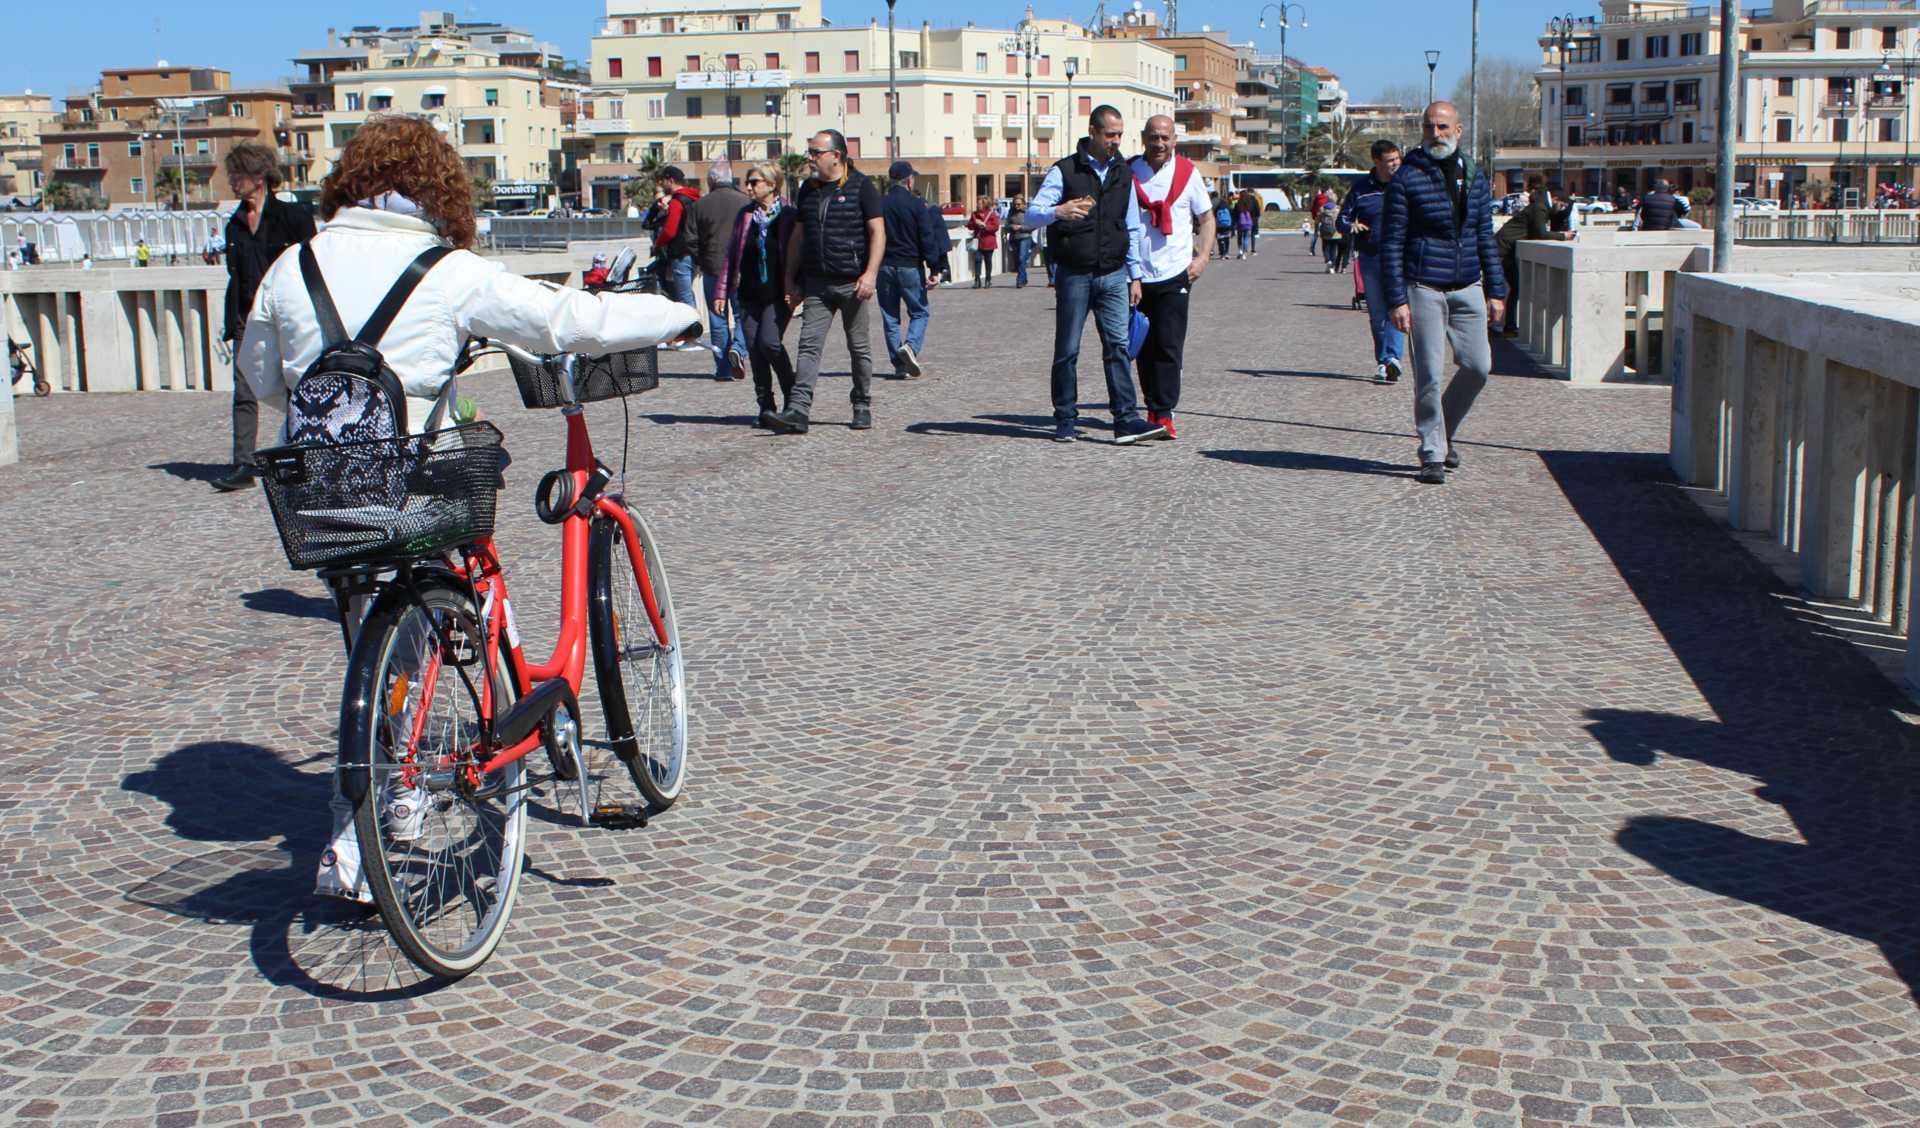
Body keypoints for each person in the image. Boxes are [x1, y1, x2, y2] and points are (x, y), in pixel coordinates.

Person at [233, 117, 700, 905]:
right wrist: (678, 316)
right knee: (428, 603)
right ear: (437, 188)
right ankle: (386, 810)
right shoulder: (445, 271)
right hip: (417, 480)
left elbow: (262, 378)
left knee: (374, 640)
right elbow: (565, 323)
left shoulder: (291, 265)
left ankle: (389, 794)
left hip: (322, 492)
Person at [1380, 100, 1507, 486]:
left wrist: (1496, 291)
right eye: (1428, 127)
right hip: (1424, 286)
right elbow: (1392, 242)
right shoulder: (1407, 177)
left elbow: (1485, 235)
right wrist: (1395, 300)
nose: (1435, 134)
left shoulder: (1473, 174)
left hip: (1468, 284)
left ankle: (1444, 429)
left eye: (1442, 127)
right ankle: (1432, 452)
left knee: (1478, 366)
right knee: (1429, 376)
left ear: (1458, 130)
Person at [1025, 105, 1163, 444]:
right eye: (1110, 135)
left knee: (1117, 346)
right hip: (1074, 273)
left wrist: (1135, 274)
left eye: (1119, 135)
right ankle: (1065, 418)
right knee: (1068, 349)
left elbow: (1130, 224)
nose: (1116, 141)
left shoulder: (1122, 172)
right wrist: (1058, 211)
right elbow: (1030, 215)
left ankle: (1125, 420)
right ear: (1092, 132)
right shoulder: (1065, 171)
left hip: (1114, 273)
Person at [212, 141, 317, 493]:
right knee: (244, 390)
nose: (232, 182)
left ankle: (302, 456)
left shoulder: (293, 218)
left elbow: (313, 268)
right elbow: (236, 275)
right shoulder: (235, 224)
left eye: (237, 175)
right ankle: (243, 462)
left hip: (287, 316)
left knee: (297, 387)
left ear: (258, 177)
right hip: (246, 316)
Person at [766, 129, 886, 434]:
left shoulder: (862, 187)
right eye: (810, 152)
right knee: (808, 346)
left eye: (816, 153)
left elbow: (877, 233)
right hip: (817, 282)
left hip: (853, 282)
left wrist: (870, 274)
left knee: (858, 348)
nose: (811, 158)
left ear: (837, 155)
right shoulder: (809, 189)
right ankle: (798, 410)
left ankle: (861, 403)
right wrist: (790, 279)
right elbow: (798, 236)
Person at [1129, 115, 1212, 441]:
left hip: (1175, 272)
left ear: (1174, 140)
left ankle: (1163, 412)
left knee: (1169, 345)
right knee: (1142, 345)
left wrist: (1202, 258)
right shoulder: (1129, 171)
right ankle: (1151, 404)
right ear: (1143, 138)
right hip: (1136, 275)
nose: (1159, 144)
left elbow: (1206, 219)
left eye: (1165, 138)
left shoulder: (1188, 174)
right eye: (1153, 137)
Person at [715, 162, 800, 427]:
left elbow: (799, 256)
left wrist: (798, 289)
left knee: (770, 343)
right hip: (749, 293)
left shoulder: (788, 215)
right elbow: (731, 255)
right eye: (748, 182)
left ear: (772, 185)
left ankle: (794, 399)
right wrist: (721, 291)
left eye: (755, 182)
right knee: (754, 349)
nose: (749, 187)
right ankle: (765, 406)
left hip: (778, 294)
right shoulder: (745, 216)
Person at [1337, 138, 1406, 384]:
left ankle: (1392, 359)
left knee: (1397, 310)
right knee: (1377, 314)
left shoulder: (1405, 183)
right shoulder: (1361, 188)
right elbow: (1341, 221)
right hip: (1370, 257)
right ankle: (1384, 361)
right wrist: (1351, 225)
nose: (1395, 164)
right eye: (1390, 161)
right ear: (1377, 162)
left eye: (1397, 159)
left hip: (1400, 258)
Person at [877, 160, 945, 380]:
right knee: (919, 311)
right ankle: (910, 347)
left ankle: (899, 364)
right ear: (908, 180)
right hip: (909, 266)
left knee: (890, 316)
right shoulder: (916, 205)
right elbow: (927, 237)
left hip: (884, 266)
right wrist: (935, 267)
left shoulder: (880, 204)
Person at [693, 162, 752, 381]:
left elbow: (691, 238)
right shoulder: (746, 202)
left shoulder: (700, 205)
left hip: (712, 267)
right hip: (741, 268)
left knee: (717, 318)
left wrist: (699, 259)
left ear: (711, 180)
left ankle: (723, 369)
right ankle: (738, 348)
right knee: (741, 314)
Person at [1495, 175, 1576, 336]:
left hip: (1505, 249)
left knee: (1510, 288)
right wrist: (1563, 236)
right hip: (1503, 251)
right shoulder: (1540, 207)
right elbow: (1541, 233)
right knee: (1505, 289)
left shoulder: (1538, 205)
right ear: (1554, 198)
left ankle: (1506, 326)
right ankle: (1505, 326)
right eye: (1561, 204)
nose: (1561, 208)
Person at [651, 166, 701, 311]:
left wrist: (658, 243)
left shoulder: (676, 202)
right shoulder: (694, 198)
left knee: (684, 297)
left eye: (663, 181)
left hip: (680, 254)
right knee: (689, 293)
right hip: (694, 251)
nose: (662, 184)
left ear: (670, 180)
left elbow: (670, 231)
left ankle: (692, 329)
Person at [1004, 191, 1036, 287]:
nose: (1016, 206)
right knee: (1018, 260)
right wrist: (1011, 227)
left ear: (1023, 204)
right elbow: (1006, 225)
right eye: (1015, 204)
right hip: (1014, 238)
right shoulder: (1011, 212)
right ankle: (1024, 278)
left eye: (1018, 204)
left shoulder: (1028, 212)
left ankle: (1020, 280)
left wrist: (1021, 227)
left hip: (1025, 238)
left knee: (1022, 258)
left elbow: (1033, 226)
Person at [966, 198, 999, 288]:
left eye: (979, 204)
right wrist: (975, 224)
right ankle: (977, 280)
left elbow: (996, 227)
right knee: (977, 260)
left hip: (988, 241)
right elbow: (969, 226)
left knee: (988, 261)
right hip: (978, 241)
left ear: (985, 204)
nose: (977, 205)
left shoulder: (991, 214)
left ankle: (988, 279)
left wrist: (985, 226)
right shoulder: (974, 214)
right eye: (977, 203)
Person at [1234, 190, 1259, 258]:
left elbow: (1234, 214)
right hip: (1248, 223)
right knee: (1246, 238)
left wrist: (1234, 223)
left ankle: (1240, 251)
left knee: (1239, 237)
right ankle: (1244, 253)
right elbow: (1255, 213)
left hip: (1240, 223)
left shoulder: (1237, 204)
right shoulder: (1249, 205)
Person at [1214, 193, 1233, 259]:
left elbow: (1215, 215)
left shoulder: (1218, 207)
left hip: (1219, 225)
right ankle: (1226, 252)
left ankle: (1222, 253)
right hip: (1227, 225)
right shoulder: (1228, 206)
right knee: (1227, 238)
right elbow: (1231, 214)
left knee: (1220, 238)